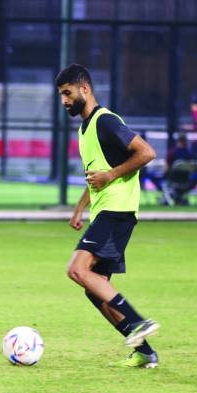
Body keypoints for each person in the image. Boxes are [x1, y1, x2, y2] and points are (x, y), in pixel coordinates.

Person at [56, 64, 161, 368]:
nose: (64, 100)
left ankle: (138, 321)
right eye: (61, 95)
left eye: (67, 93)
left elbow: (146, 152)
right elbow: (96, 176)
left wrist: (111, 175)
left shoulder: (106, 121)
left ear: (84, 89)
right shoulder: (85, 129)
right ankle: (145, 352)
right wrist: (80, 208)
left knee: (77, 270)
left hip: (118, 210)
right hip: (106, 211)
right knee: (95, 288)